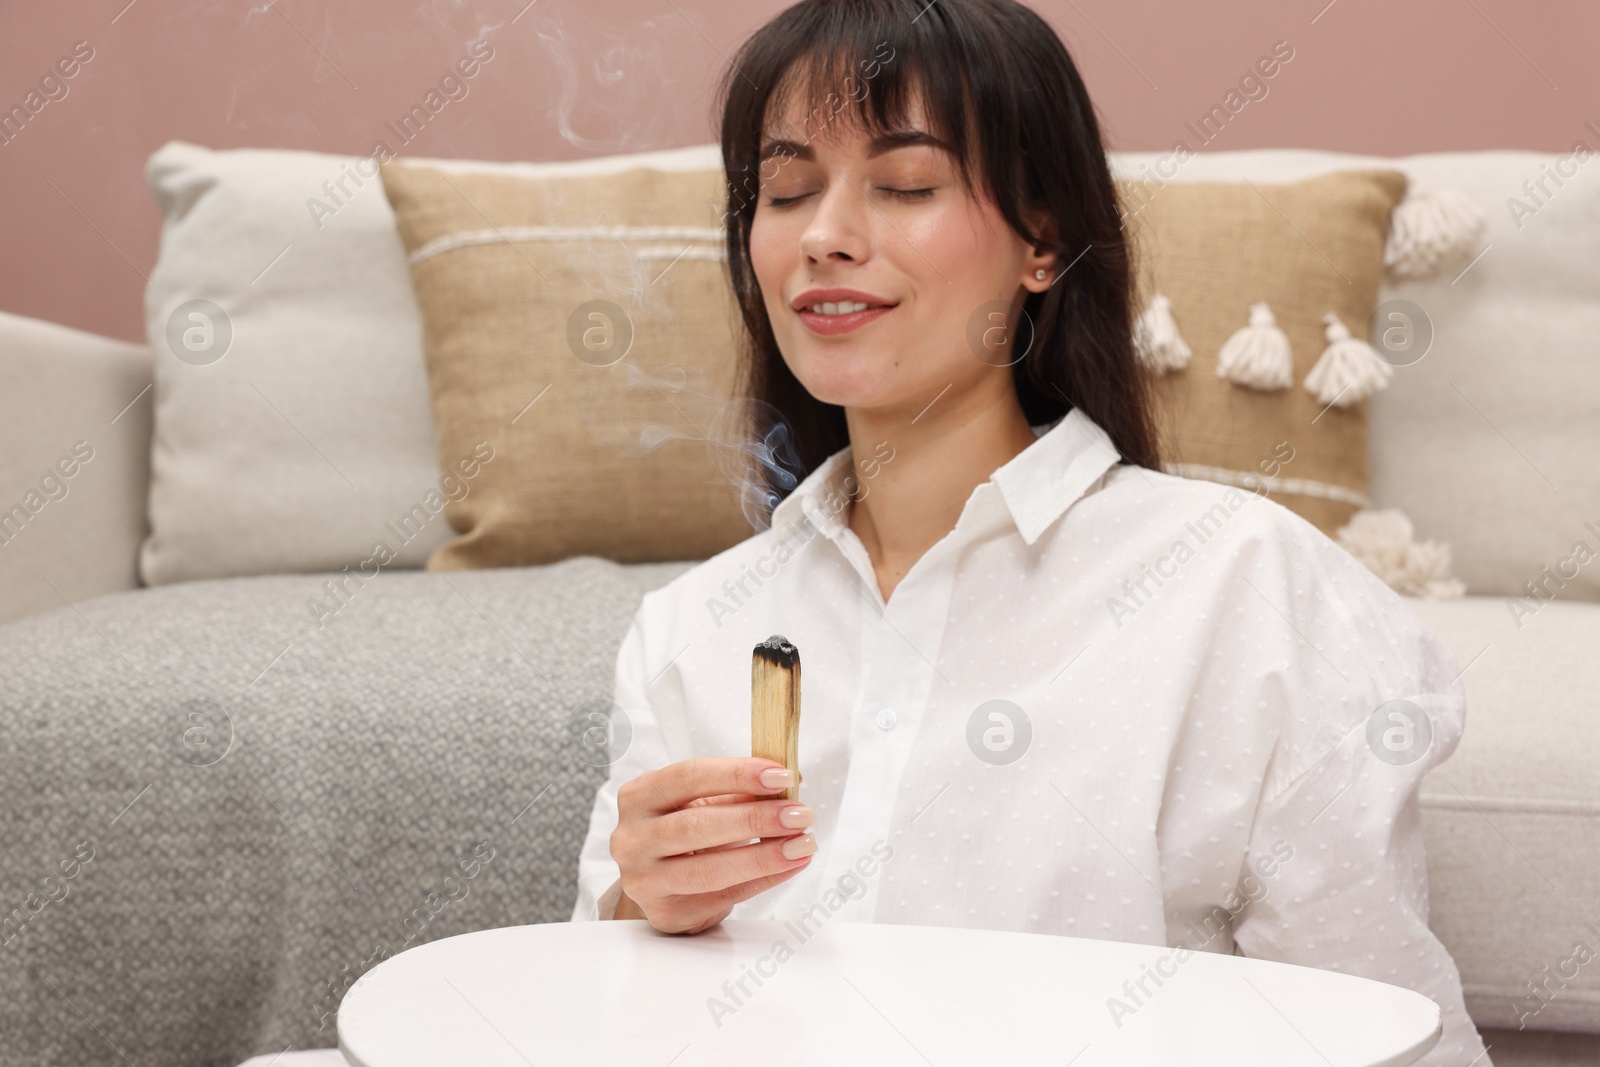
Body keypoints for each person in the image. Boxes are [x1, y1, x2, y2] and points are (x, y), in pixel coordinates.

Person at [572, 1, 1491, 1063]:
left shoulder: (1243, 587)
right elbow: (604, 1020)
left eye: (905, 184)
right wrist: (636, 912)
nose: (822, 234)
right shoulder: (688, 628)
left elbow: (1381, 1032)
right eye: (784, 190)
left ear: (1043, 242)